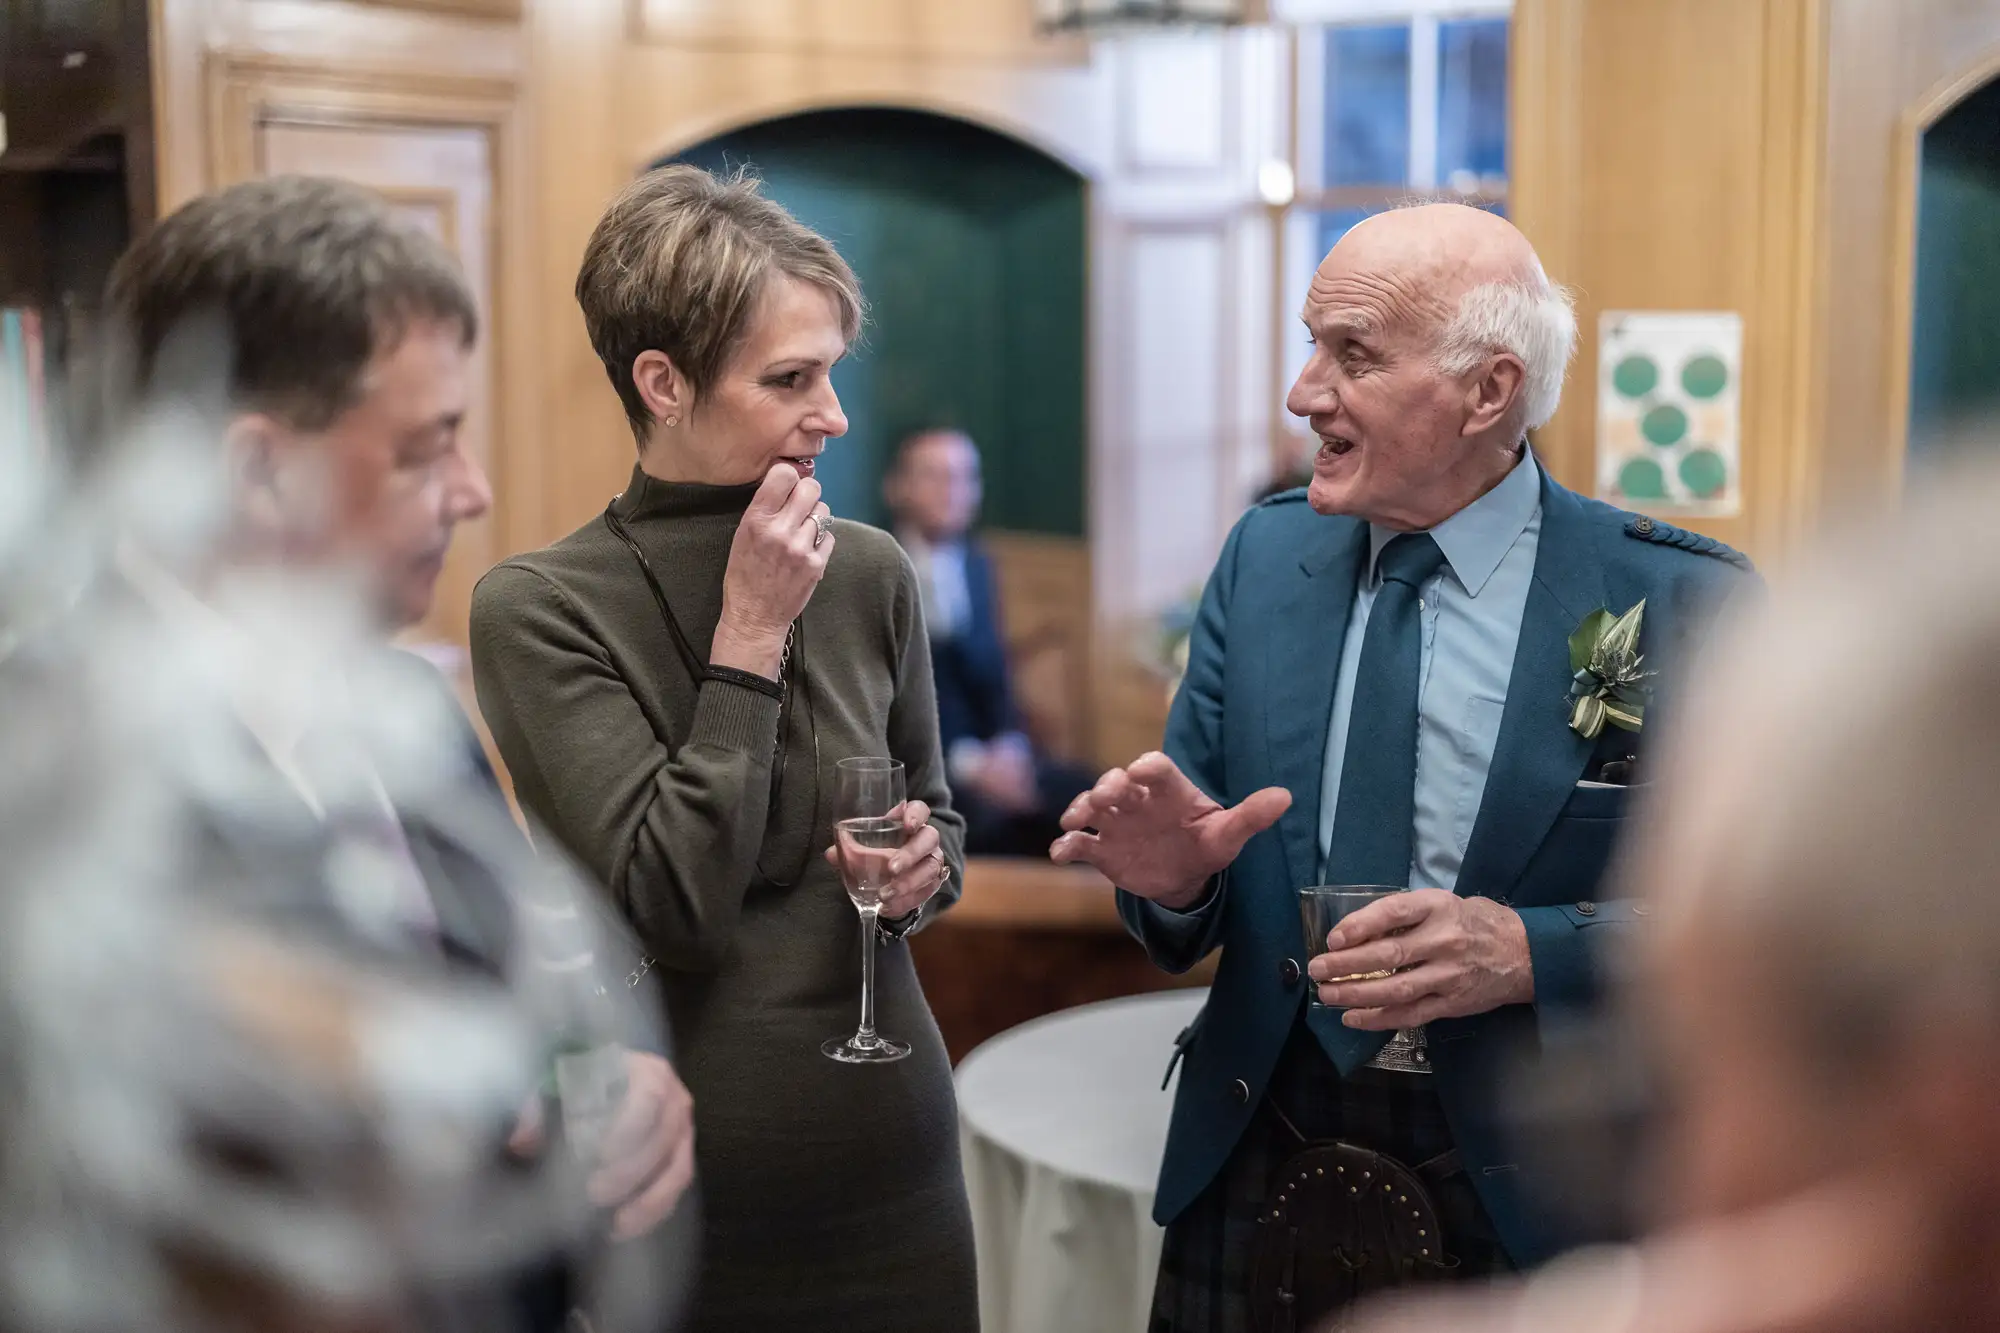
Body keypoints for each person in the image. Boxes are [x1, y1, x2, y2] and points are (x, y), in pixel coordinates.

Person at [0, 175, 696, 1331]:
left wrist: (595, 1084)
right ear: (261, 469)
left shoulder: (399, 702)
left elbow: (494, 983)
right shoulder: (44, 764)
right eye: (427, 449)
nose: (472, 492)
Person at [1051, 202, 1755, 1329]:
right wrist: (1171, 875)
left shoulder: (1679, 600)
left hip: (1541, 1179)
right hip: (1259, 1143)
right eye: (1308, 341)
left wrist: (1527, 949)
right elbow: (1198, 873)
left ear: (1488, 391)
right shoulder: (1262, 553)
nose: (1300, 391)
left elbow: (1753, 920)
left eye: (1352, 354)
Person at [467, 166, 976, 1332]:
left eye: (832, 371)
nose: (835, 413)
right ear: (662, 382)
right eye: (790, 378)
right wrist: (746, 635)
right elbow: (672, 905)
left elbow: (936, 820)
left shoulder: (871, 570)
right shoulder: (539, 605)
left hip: (899, 1158)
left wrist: (916, 871)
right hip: (690, 1183)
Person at [1349, 457, 2000, 1333]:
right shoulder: (1273, 560)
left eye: (1685, 1082)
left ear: (1953, 1137)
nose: (1669, 1178)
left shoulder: (1680, 589)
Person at [883, 427, 1094, 856]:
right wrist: (973, 767)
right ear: (899, 487)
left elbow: (997, 679)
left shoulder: (979, 567)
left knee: (1094, 798)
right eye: (936, 476)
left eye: (964, 478)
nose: (952, 491)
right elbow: (886, 707)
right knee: (994, 824)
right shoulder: (879, 569)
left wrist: (1010, 748)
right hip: (922, 769)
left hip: (995, 753)